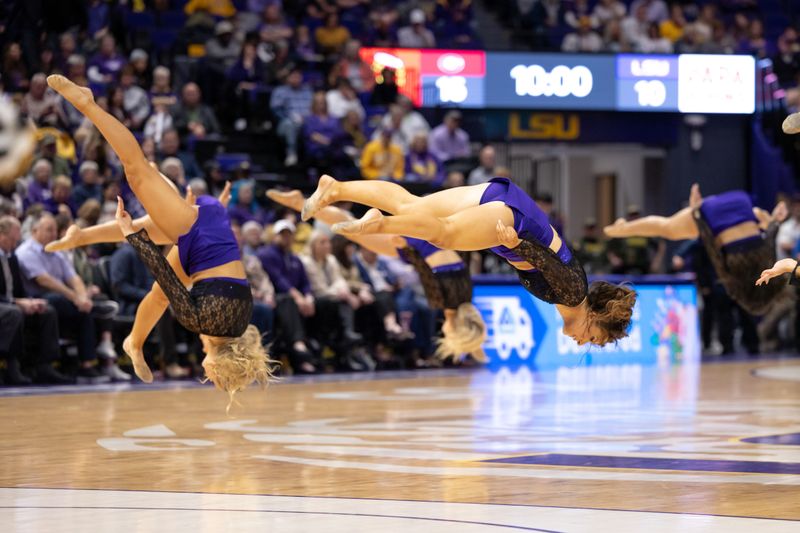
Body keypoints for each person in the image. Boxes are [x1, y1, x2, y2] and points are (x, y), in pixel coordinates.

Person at [44, 75, 274, 406]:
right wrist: (131, 236)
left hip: (209, 235)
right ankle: (87, 104)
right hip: (197, 232)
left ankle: (132, 340)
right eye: (211, 376)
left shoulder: (238, 325)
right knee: (136, 171)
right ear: (215, 361)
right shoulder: (201, 322)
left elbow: (219, 271)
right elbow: (161, 272)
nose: (205, 375)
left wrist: (215, 209)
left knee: (156, 295)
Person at [302, 175, 636, 347]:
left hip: (506, 199)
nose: (581, 341)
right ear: (597, 314)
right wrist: (518, 243)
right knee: (443, 234)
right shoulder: (574, 292)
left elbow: (549, 266)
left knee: (412, 205)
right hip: (514, 225)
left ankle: (337, 189)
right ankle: (380, 223)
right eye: (592, 337)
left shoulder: (569, 295)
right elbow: (549, 265)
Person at [268, 188, 488, 360]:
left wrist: (476, 345)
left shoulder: (466, 296)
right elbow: (432, 275)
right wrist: (404, 243)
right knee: (361, 229)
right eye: (450, 334)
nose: (446, 332)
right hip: (418, 246)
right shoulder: (448, 304)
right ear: (456, 326)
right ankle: (315, 201)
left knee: (357, 231)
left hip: (430, 241)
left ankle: (301, 202)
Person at [605, 184, 791, 316]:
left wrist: (774, 221)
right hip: (714, 217)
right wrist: (697, 213)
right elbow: (711, 247)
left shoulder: (764, 263)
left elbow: (769, 243)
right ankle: (622, 229)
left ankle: (623, 229)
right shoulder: (730, 273)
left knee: (668, 228)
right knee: (666, 228)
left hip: (742, 205)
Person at [0, 216, 71, 385]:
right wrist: (17, 303)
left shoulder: (11, 257)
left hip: (10, 302)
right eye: (12, 240)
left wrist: (29, 302)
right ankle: (10, 365)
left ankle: (45, 365)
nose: (15, 244)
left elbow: (17, 290)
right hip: (6, 304)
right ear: (2, 235)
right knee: (13, 313)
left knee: (46, 310)